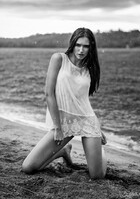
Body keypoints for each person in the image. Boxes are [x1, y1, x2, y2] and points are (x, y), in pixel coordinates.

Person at [22, 27, 107, 179]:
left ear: (91, 47)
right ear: (72, 43)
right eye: (78, 45)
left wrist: (98, 129)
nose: (81, 50)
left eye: (86, 46)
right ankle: (63, 151)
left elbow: (82, 100)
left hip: (86, 121)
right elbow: (49, 93)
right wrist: (58, 128)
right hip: (63, 123)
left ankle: (99, 151)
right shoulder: (59, 59)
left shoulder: (90, 68)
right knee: (28, 167)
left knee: (97, 176)